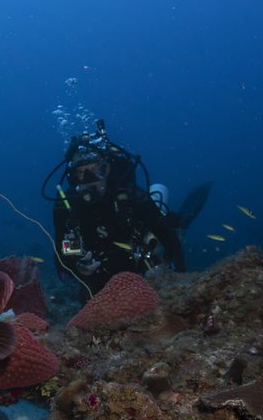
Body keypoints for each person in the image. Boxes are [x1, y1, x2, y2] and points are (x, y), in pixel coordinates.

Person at [45, 119, 187, 296]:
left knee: (159, 233)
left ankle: (172, 221)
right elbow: (61, 257)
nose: (90, 179)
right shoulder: (66, 206)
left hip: (137, 259)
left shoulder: (130, 196)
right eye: (81, 173)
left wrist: (176, 274)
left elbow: (170, 241)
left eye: (96, 170)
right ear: (72, 178)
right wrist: (78, 266)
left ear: (107, 169)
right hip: (98, 269)